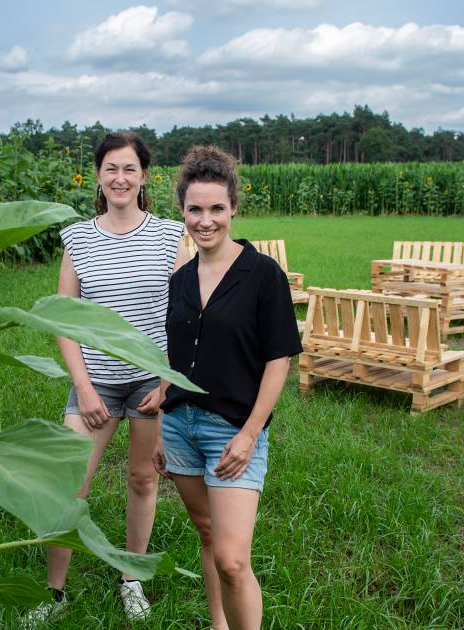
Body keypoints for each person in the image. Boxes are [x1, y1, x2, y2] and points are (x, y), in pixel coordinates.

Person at [26, 131, 188, 626]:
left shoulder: (168, 235)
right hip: (94, 380)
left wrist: (166, 385)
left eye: (129, 169)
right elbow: (63, 319)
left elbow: (186, 316)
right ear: (98, 176)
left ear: (143, 178)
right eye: (111, 169)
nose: (120, 178)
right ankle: (54, 593)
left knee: (143, 479)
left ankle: (130, 578)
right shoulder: (77, 238)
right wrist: (84, 387)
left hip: (149, 384)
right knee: (68, 485)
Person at [153, 145, 302, 630]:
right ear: (182, 211)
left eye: (217, 208)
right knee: (208, 536)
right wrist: (159, 427)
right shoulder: (179, 280)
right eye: (195, 209)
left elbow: (278, 361)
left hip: (232, 430)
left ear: (234, 207)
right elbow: (171, 360)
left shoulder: (263, 276)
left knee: (234, 561)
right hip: (179, 426)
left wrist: (250, 434)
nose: (206, 220)